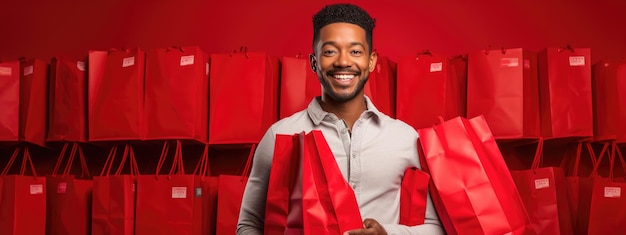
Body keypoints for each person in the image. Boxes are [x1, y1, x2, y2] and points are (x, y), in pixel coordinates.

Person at [237, 3, 444, 235]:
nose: (343, 62)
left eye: (355, 51)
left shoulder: (405, 138)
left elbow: (436, 227)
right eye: (330, 51)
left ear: (372, 61)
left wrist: (387, 233)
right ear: (314, 62)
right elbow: (248, 225)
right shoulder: (279, 136)